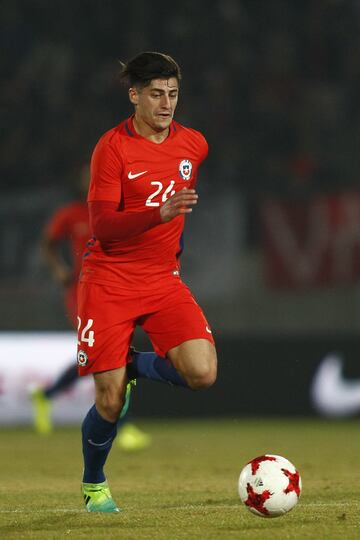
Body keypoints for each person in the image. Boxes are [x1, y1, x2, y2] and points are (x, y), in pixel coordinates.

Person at [78, 51, 217, 513]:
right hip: (109, 280)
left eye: (173, 94)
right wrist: (158, 213)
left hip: (162, 280)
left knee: (202, 373)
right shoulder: (112, 148)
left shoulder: (194, 144)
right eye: (156, 94)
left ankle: (135, 365)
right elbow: (102, 225)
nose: (167, 103)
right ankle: (95, 483)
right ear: (134, 95)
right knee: (109, 401)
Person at [31, 165, 151, 452]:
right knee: (110, 353)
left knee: (103, 354)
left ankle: (47, 395)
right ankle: (125, 426)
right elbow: (47, 243)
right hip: (82, 293)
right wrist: (59, 268)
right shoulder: (71, 214)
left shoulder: (118, 212)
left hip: (118, 291)